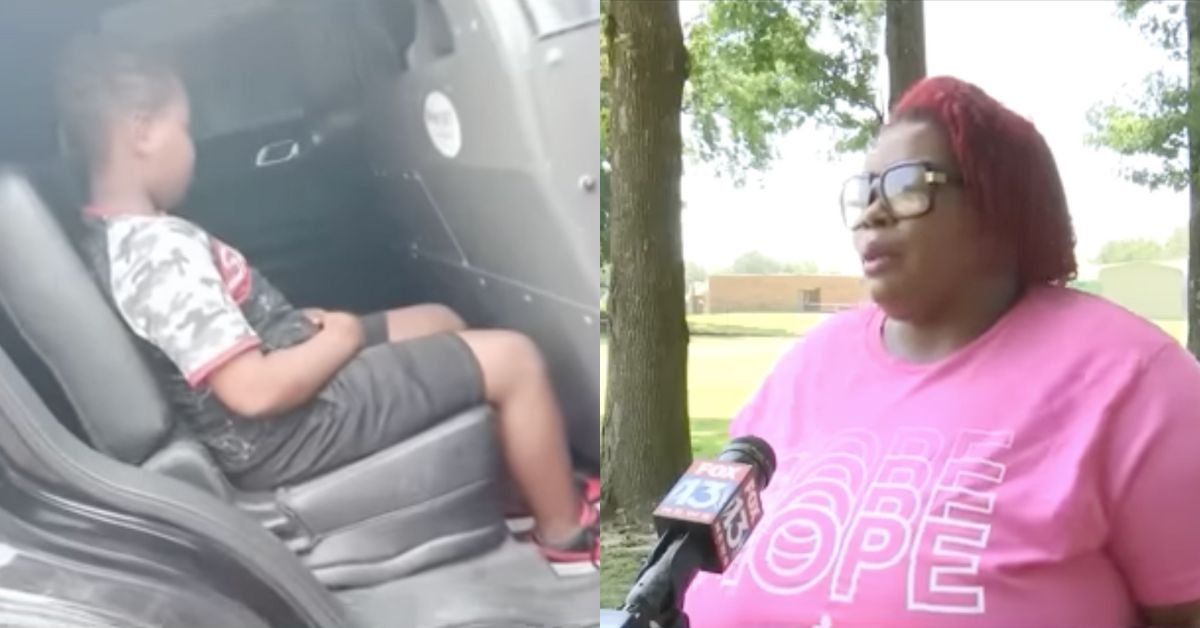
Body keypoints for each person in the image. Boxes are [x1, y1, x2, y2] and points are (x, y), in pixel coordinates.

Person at [55, 38, 597, 575]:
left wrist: (299, 330)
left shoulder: (113, 235)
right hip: (286, 426)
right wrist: (343, 339)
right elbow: (253, 391)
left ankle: (518, 486)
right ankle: (564, 532)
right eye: (185, 128)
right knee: (515, 359)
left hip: (278, 381)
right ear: (142, 132)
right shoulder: (158, 253)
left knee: (439, 319)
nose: (192, 146)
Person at [682, 76, 1200, 626]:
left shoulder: (1133, 380)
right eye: (865, 190)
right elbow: (690, 549)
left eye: (908, 185)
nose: (872, 213)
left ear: (997, 201)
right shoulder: (805, 365)